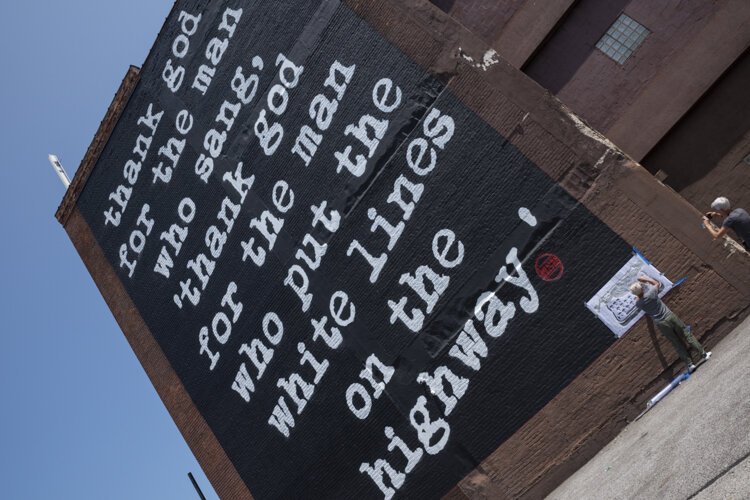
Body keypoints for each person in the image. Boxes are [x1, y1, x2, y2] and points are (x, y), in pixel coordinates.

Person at [629, 275, 710, 372]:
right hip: (670, 316)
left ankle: (690, 364)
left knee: (676, 343)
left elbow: (638, 299)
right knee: (687, 335)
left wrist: (638, 293)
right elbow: (656, 283)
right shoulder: (651, 293)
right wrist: (645, 279)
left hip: (661, 323)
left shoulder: (639, 304)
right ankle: (703, 354)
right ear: (642, 288)